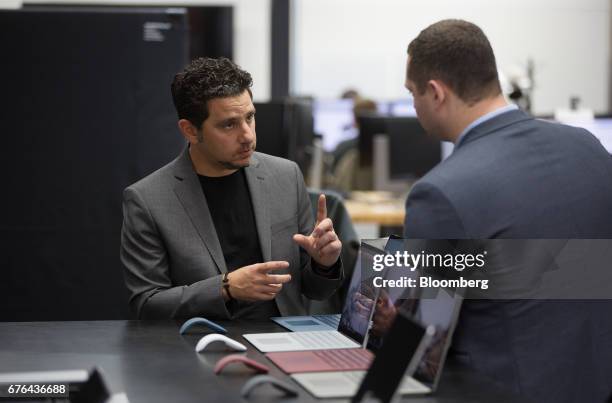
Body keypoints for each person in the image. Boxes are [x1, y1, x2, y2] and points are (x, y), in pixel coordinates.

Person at [402, 20, 612, 403]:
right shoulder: (588, 147)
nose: (413, 106)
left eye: (412, 93)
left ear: (436, 93)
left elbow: (421, 336)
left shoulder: (439, 193)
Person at [121, 57, 343, 321]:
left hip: (283, 338)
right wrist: (225, 288)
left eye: (250, 118)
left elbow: (314, 291)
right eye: (229, 124)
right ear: (190, 131)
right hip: (200, 344)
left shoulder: (285, 176)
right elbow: (146, 305)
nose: (247, 135)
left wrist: (323, 264)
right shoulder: (148, 199)